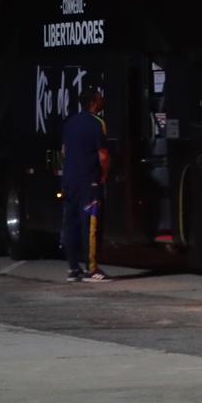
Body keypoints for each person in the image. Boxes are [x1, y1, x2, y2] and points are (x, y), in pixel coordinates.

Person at [58, 84, 112, 282]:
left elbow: (64, 150)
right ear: (92, 103)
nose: (101, 100)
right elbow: (103, 155)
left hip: (69, 181)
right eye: (99, 98)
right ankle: (92, 269)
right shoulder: (97, 123)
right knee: (89, 224)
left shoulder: (70, 122)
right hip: (88, 181)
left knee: (70, 223)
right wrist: (104, 174)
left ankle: (73, 269)